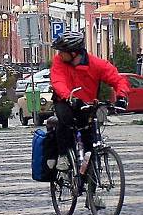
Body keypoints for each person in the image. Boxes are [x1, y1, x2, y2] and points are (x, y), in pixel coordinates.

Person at [50, 31, 129, 172]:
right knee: (65, 121)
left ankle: (89, 173)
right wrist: (70, 97)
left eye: (62, 51)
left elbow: (117, 79)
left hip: (87, 103)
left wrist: (121, 96)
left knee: (89, 136)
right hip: (64, 100)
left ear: (74, 52)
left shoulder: (96, 64)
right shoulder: (59, 62)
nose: (59, 54)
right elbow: (58, 81)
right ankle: (63, 155)